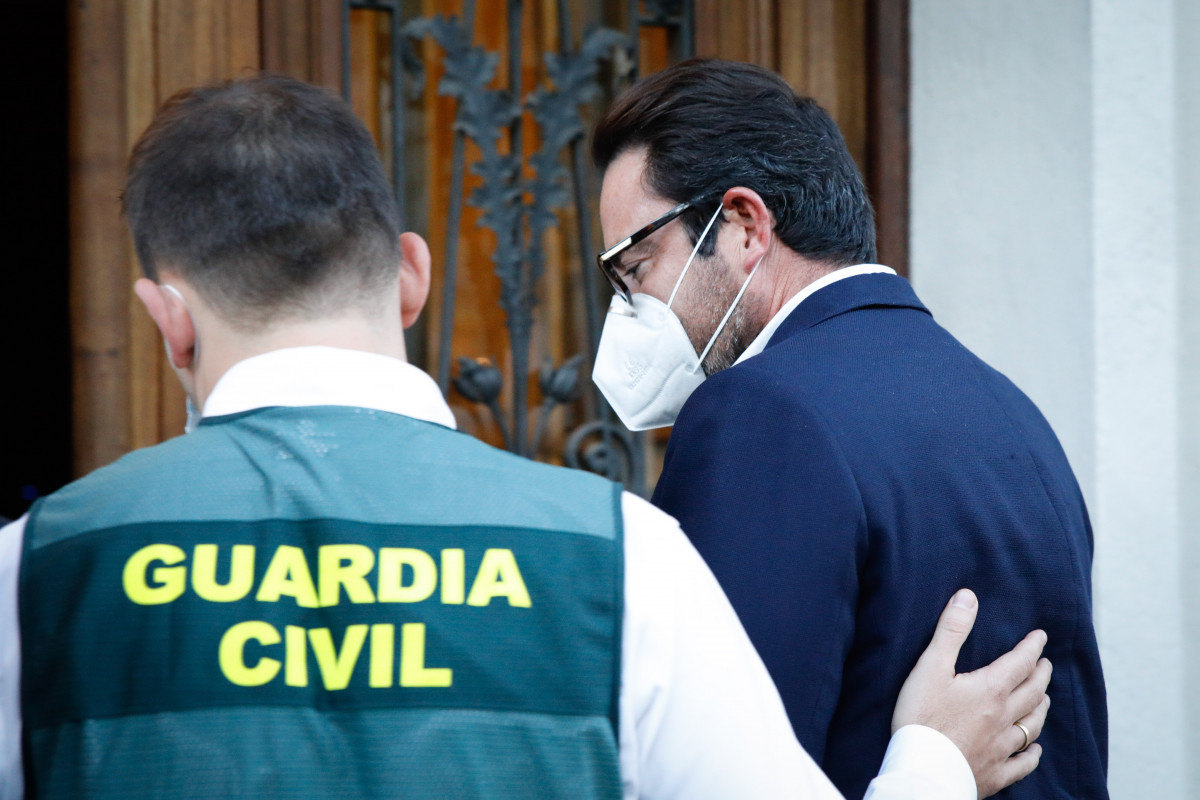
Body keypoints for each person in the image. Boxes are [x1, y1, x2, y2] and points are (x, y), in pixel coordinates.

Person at [0, 74, 1049, 800]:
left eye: (631, 270)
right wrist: (929, 767)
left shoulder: (34, 569)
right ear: (413, 277)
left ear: (167, 321)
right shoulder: (624, 559)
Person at [589, 59, 1107, 800]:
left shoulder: (758, 414)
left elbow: (717, 775)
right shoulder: (1013, 413)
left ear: (742, 226)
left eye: (636, 268)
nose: (630, 309)